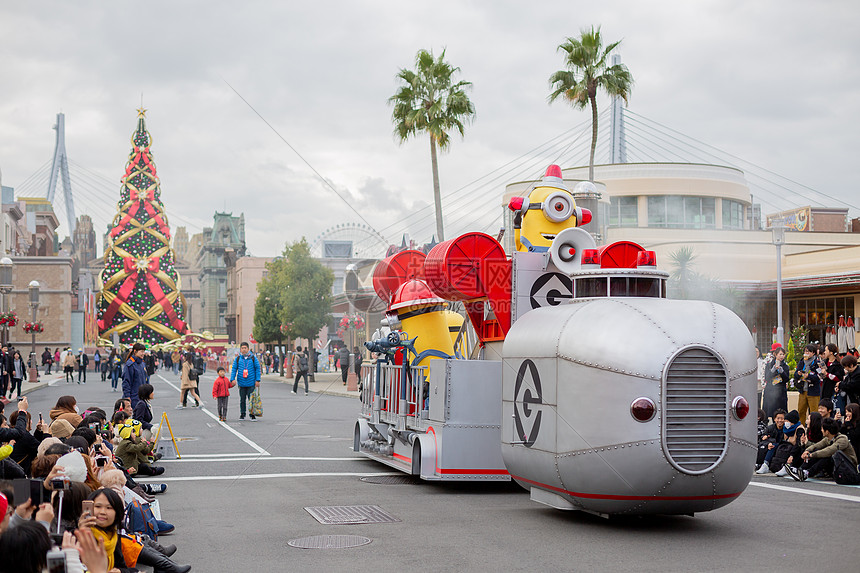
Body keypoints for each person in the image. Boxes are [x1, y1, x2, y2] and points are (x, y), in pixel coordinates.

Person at [786, 417, 858, 482]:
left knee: (827, 456)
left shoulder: (842, 439)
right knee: (816, 452)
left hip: (848, 468)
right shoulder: (828, 439)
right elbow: (816, 446)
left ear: (827, 431)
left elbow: (829, 451)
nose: (821, 430)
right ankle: (801, 471)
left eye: (822, 428)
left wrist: (811, 455)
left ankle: (806, 473)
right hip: (838, 466)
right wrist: (807, 451)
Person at [230, 341, 261, 420]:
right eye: (242, 348)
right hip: (241, 383)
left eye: (245, 348)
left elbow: (258, 369)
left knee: (252, 400)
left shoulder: (253, 358)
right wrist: (232, 379)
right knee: (242, 400)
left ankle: (252, 414)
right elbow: (234, 369)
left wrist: (258, 380)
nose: (243, 350)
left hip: (251, 383)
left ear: (248, 349)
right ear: (240, 349)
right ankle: (242, 414)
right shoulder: (238, 359)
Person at [756, 409, 791, 474]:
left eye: (782, 418)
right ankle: (764, 465)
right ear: (774, 419)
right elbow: (762, 440)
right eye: (778, 418)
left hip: (782, 448)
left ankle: (766, 464)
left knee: (774, 445)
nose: (780, 420)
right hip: (772, 447)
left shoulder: (787, 428)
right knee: (771, 446)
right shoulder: (770, 428)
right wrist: (768, 444)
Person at [792, 344, 821, 424]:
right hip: (803, 390)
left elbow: (819, 377)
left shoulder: (817, 362)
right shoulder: (802, 361)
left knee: (814, 412)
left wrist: (809, 376)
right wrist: (798, 374)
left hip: (813, 391)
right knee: (801, 410)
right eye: (805, 351)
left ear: (813, 353)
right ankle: (801, 427)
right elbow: (795, 375)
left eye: (808, 351)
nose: (806, 353)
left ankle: (814, 427)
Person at [762, 345, 789, 420]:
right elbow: (767, 378)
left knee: (780, 412)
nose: (782, 356)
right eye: (780, 354)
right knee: (768, 412)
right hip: (770, 391)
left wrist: (782, 372)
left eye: (783, 354)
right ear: (775, 354)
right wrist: (773, 370)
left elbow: (787, 379)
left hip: (781, 392)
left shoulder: (785, 366)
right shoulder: (769, 365)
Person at [122, 343, 147, 409]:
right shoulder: (130, 364)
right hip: (134, 397)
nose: (143, 353)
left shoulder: (142, 363)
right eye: (141, 351)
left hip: (142, 396)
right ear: (135, 351)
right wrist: (127, 397)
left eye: (144, 351)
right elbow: (126, 381)